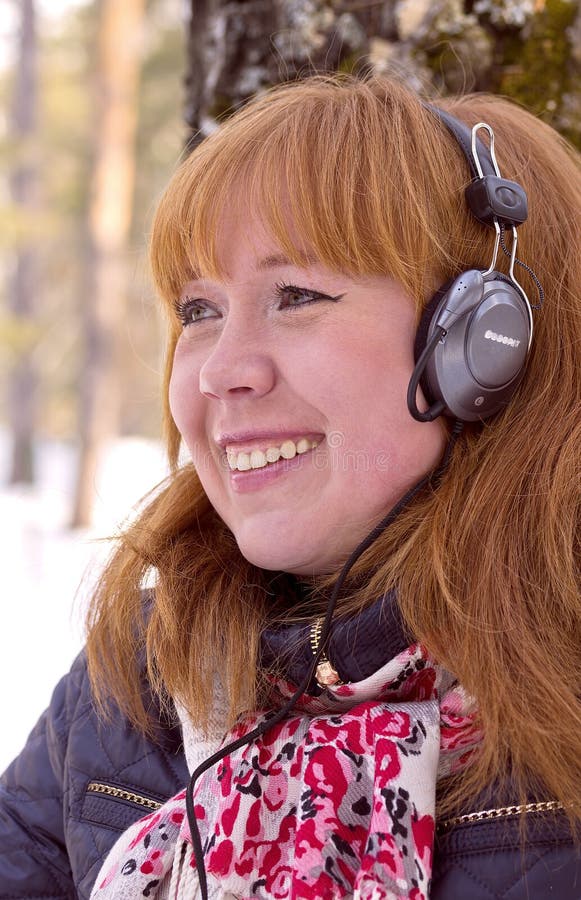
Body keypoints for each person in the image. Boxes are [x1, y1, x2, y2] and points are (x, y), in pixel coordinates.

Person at [1, 73, 579, 900]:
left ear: (486, 345)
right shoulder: (132, 687)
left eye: (297, 295)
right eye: (198, 311)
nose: (221, 371)